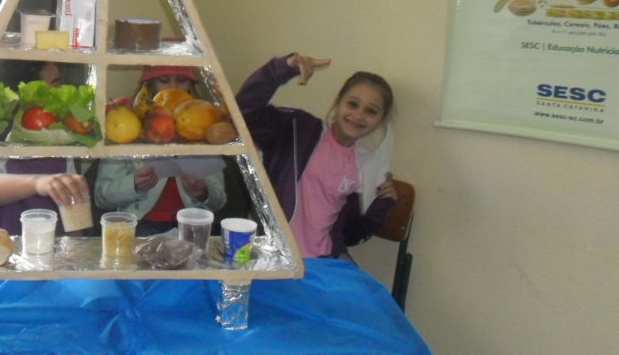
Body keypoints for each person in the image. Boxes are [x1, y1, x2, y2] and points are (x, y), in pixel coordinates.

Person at [235, 53, 398, 260]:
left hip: (323, 260)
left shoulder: (367, 165)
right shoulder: (296, 129)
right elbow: (245, 111)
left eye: (371, 111)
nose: (358, 115)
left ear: (381, 120)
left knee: (360, 282)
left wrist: (380, 205)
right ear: (338, 103)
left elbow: (351, 235)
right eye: (352, 104)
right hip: (272, 254)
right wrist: (281, 69)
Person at [94, 65, 226, 236]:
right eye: (164, 81)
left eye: (182, 80)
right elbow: (101, 197)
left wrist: (204, 192)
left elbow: (220, 201)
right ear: (150, 85)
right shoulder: (127, 125)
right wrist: (132, 184)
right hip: (139, 225)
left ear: (191, 85)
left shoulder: (206, 125)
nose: (173, 87)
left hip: (191, 225)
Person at [0, 60, 90, 233]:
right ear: (25, 94)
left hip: (51, 249)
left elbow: (75, 217)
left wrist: (76, 244)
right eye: (55, 86)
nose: (60, 92)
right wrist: (39, 183)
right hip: (1, 248)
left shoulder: (57, 136)